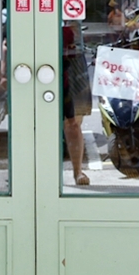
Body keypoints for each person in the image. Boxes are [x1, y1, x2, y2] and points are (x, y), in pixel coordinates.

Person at [61, 24, 90, 186]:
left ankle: (77, 171)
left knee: (73, 124)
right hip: (37, 72)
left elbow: (76, 44)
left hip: (70, 74)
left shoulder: (71, 14)